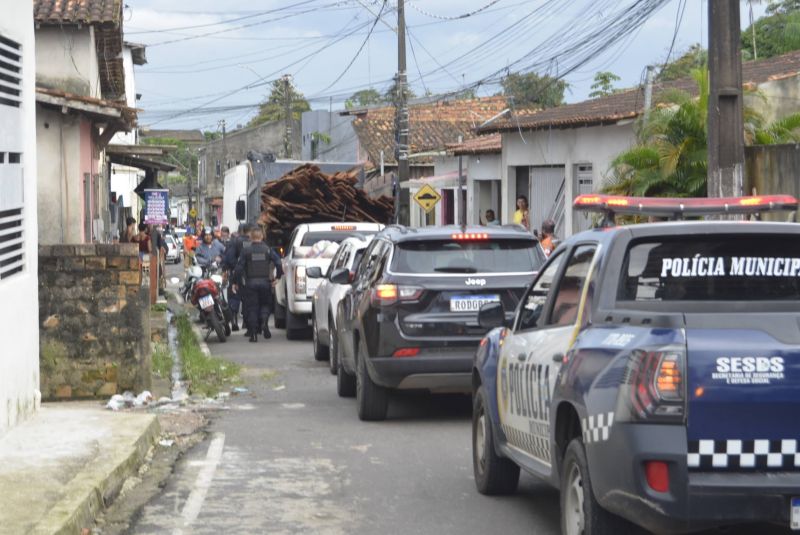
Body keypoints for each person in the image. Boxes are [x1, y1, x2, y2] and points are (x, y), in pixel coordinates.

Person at [234, 227, 283, 342]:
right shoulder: (268, 250)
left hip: (250, 283)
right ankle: (264, 322)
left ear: (251, 237)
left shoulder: (246, 251)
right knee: (265, 304)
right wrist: (278, 277)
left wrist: (237, 282)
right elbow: (278, 263)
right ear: (262, 236)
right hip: (265, 282)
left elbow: (239, 268)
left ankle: (253, 334)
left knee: (252, 308)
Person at [222, 223, 252, 332]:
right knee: (247, 299)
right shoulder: (253, 242)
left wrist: (232, 268)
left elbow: (228, 258)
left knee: (234, 297)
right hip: (250, 274)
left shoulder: (234, 242)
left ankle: (234, 320)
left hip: (235, 273)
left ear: (240, 231)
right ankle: (246, 322)